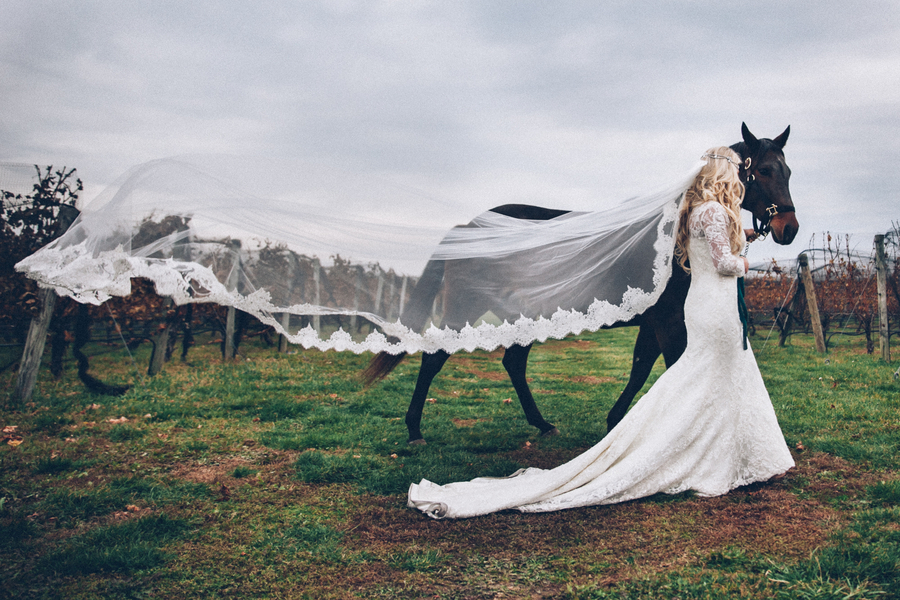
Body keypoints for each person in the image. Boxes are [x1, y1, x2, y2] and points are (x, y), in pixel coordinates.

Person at [407, 147, 795, 519]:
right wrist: (744, 260)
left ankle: (695, 441)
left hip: (709, 307)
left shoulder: (692, 214)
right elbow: (724, 261)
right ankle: (697, 446)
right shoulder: (707, 213)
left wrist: (745, 235)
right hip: (714, 306)